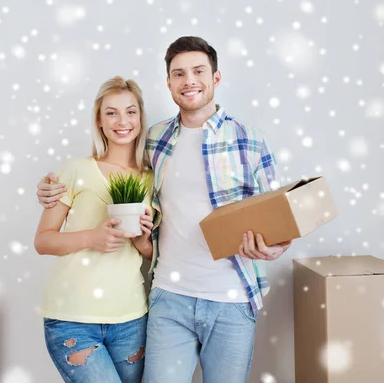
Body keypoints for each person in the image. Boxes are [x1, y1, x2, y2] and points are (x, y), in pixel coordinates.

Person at [36, 37, 292, 383]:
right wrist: (50, 189)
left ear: (216, 78)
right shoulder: (156, 142)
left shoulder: (250, 139)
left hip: (231, 298)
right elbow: (108, 170)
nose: (189, 81)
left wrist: (274, 247)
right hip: (168, 300)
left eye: (199, 71)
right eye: (179, 74)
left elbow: (280, 219)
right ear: (168, 83)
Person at [34, 76, 155, 383]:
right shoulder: (76, 170)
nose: (122, 121)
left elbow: (152, 252)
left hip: (131, 318)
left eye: (130, 111)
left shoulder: (152, 180)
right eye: (111, 112)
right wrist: (92, 238)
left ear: (140, 117)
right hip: (72, 319)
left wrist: (143, 244)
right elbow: (43, 241)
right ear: (99, 120)